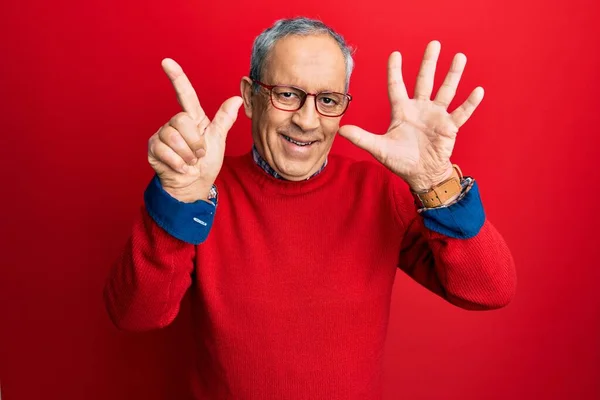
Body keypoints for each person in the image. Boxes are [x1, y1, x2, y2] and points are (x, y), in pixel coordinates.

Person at [104, 17, 516, 400]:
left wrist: (434, 182)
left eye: (329, 100)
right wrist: (179, 198)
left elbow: (490, 289)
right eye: (287, 94)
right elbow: (135, 314)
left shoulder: (379, 193)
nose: (307, 120)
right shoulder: (201, 189)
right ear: (250, 97)